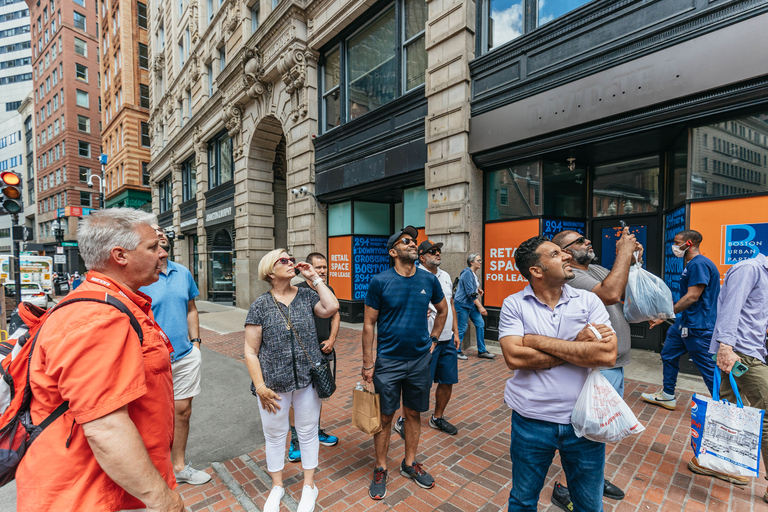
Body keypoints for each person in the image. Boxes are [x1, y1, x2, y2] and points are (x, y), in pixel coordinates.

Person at [16, 208, 185, 512]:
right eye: (151, 247)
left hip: (103, 488)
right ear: (120, 255)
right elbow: (106, 427)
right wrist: (164, 500)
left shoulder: (106, 304)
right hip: (89, 495)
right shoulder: (97, 317)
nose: (162, 253)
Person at [498, 235, 617, 512]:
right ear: (536, 271)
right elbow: (514, 357)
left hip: (584, 421)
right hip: (531, 421)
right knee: (523, 500)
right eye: (555, 254)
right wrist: (578, 346)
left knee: (589, 503)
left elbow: (607, 355)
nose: (567, 256)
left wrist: (535, 341)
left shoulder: (588, 301)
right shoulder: (514, 304)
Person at [550, 228, 641, 507]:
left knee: (600, 427)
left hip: (615, 363)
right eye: (579, 241)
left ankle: (593, 477)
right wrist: (624, 253)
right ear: (565, 252)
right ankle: (566, 487)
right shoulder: (571, 276)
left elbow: (622, 283)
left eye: (586, 238)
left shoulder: (596, 270)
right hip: (597, 366)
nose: (587, 241)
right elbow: (612, 293)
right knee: (587, 428)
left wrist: (630, 257)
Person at [244, 249, 339, 512]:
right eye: (283, 260)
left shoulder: (308, 295)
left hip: (308, 381)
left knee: (308, 433)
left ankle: (309, 486)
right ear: (270, 271)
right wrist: (260, 387)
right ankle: (277, 486)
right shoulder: (260, 305)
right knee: (275, 436)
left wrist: (314, 278)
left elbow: (332, 307)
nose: (290, 263)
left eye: (290, 259)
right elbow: (250, 352)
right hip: (273, 385)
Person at [362, 226, 448, 500]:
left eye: (414, 241)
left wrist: (433, 339)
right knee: (386, 416)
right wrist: (367, 365)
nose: (413, 244)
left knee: (413, 413)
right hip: (388, 361)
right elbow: (368, 324)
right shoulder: (380, 281)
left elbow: (443, 309)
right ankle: (381, 466)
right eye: (406, 241)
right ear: (393, 251)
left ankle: (409, 463)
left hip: (420, 359)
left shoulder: (429, 280)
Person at [140, 225, 209, 485]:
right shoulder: (140, 276)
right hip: (150, 359)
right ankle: (152, 471)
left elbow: (191, 308)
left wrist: (196, 344)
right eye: (153, 232)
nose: (160, 234)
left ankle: (178, 467)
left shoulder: (183, 273)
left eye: (162, 231)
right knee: (151, 415)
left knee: (183, 412)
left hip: (184, 356)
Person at [695, 252, 768, 489]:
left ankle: (719, 463)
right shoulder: (749, 268)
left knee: (731, 406)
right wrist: (725, 347)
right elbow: (730, 309)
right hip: (740, 352)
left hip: (752, 350)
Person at [641, 230, 719, 409]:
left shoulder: (699, 264)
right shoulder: (692, 264)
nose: (674, 246)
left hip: (698, 327)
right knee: (668, 354)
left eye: (677, 243)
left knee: (708, 369)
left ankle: (725, 408)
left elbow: (692, 297)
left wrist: (665, 313)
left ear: (689, 244)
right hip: (684, 323)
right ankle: (668, 395)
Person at [394, 240, 461, 437]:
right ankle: (403, 420)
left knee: (447, 381)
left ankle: (437, 417)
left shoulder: (446, 276)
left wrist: (456, 332)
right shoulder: (414, 275)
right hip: (425, 340)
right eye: (432, 251)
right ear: (422, 257)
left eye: (439, 251)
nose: (437, 254)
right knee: (419, 384)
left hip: (447, 338)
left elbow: (450, 305)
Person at [288, 252, 341, 462]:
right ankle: (296, 440)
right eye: (318, 267)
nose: (322, 271)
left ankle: (316, 431)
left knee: (319, 393)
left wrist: (332, 339)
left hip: (323, 351)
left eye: (324, 267)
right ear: (306, 268)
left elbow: (335, 315)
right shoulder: (296, 291)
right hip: (301, 355)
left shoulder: (328, 290)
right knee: (296, 397)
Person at [454, 253, 494, 359]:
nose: (480, 262)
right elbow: (470, 293)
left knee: (480, 324)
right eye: (478, 260)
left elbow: (472, 288)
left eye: (481, 260)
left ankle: (482, 351)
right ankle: (455, 351)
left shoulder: (474, 274)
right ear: (471, 262)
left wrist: (478, 289)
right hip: (462, 304)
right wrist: (481, 307)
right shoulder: (467, 273)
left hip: (470, 304)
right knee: (462, 328)